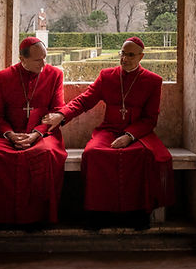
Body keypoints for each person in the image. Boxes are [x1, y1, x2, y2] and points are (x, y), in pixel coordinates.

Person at [42, 36, 173, 229]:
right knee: (93, 153)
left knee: (142, 155)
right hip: (109, 130)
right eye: (122, 53)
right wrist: (61, 116)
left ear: (141, 56)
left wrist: (129, 136)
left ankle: (137, 214)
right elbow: (84, 101)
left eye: (130, 55)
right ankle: (97, 214)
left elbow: (150, 119)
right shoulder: (107, 76)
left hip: (138, 133)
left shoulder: (153, 81)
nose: (124, 58)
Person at [0, 37, 66, 230]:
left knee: (45, 154)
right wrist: (10, 134)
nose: (44, 64)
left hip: (43, 134)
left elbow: (56, 111)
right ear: (22, 59)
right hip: (8, 134)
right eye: (38, 60)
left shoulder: (54, 75)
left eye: (45, 58)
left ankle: (35, 219)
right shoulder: (3, 77)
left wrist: (36, 133)